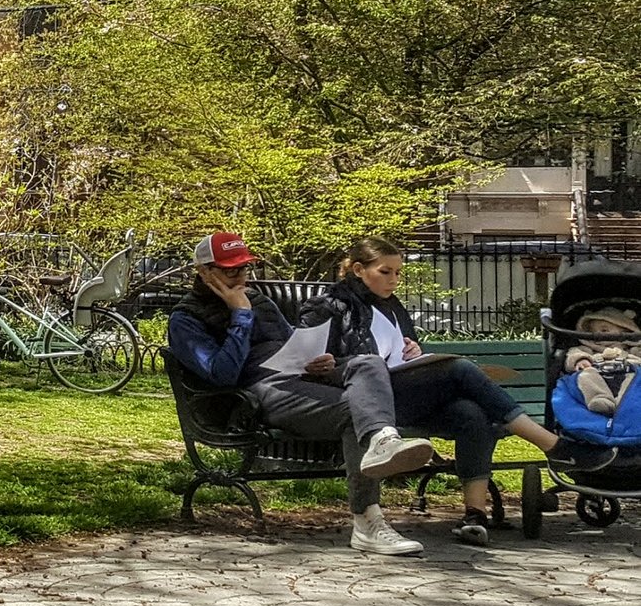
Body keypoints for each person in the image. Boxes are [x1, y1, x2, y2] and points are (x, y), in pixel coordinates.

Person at [300, 235, 615, 546]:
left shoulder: (392, 306)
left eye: (398, 273)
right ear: (358, 269)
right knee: (460, 369)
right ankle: (554, 447)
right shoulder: (329, 305)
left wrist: (412, 348)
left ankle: (474, 517)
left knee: (470, 413)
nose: (394, 280)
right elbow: (308, 357)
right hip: (370, 402)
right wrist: (331, 362)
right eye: (385, 272)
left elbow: (403, 349)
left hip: (405, 390)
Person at [168, 230, 439, 557]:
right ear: (205, 272)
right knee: (356, 412)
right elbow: (223, 374)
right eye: (230, 270)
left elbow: (290, 344)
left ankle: (384, 441)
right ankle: (368, 522)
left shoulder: (259, 302)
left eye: (244, 268)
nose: (240, 276)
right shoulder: (185, 319)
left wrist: (314, 361)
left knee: (367, 363)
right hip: (254, 394)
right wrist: (240, 315)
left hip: (298, 379)